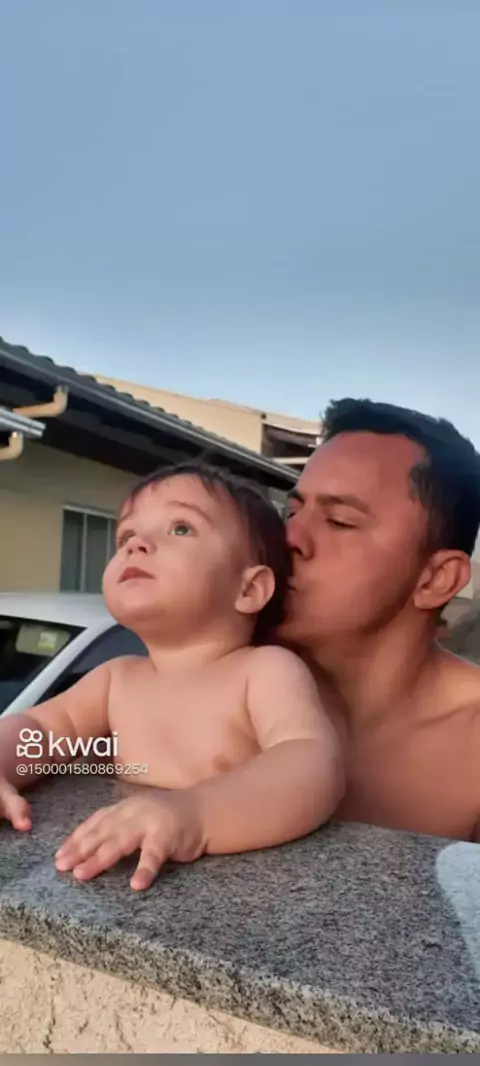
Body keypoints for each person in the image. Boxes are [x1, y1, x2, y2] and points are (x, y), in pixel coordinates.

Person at [0, 460, 342, 889]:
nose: (137, 544)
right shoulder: (116, 679)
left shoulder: (264, 671)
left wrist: (193, 814)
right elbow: (41, 730)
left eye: (181, 528)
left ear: (249, 589)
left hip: (232, 895)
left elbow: (311, 764)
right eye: (125, 535)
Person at [279, 398, 480, 842]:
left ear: (436, 579)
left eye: (340, 521)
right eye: (291, 512)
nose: (289, 536)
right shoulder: (211, 677)